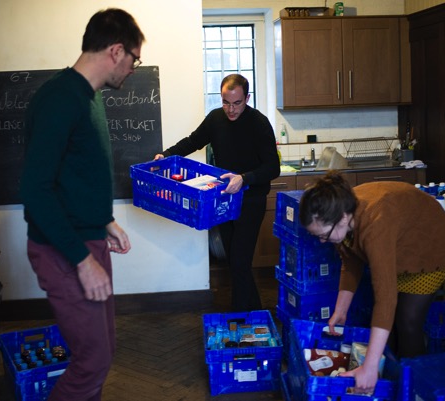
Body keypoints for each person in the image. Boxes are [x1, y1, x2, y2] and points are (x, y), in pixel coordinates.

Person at [19, 8, 144, 400]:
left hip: (87, 241)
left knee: (102, 353)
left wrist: (105, 220)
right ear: (116, 50)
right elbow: (36, 191)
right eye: (134, 59)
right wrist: (82, 259)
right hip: (64, 250)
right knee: (92, 360)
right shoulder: (60, 99)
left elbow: (76, 175)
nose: (133, 68)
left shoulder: (90, 97)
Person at [299, 171, 445, 393]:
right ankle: (391, 381)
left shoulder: (375, 224)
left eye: (324, 235)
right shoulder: (340, 211)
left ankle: (414, 388)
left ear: (343, 218)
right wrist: (341, 310)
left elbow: (386, 298)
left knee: (408, 322)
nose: (322, 241)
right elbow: (350, 261)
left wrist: (369, 367)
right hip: (399, 242)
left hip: (429, 242)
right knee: (388, 329)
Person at [154, 74, 280, 311]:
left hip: (251, 200)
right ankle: (256, 312)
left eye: (237, 103)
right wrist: (166, 155)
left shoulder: (259, 123)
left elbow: (273, 168)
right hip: (223, 200)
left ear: (247, 98)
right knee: (235, 262)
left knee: (240, 261)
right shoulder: (215, 119)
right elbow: (192, 141)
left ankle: (238, 321)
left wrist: (244, 178)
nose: (230, 110)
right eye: (225, 102)